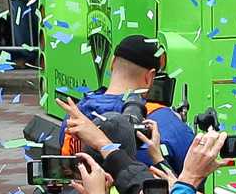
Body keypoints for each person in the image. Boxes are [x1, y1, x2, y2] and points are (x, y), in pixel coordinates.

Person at [68, 33, 196, 169]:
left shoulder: (74, 115)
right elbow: (192, 172)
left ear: (112, 63)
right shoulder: (167, 123)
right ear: (150, 76)